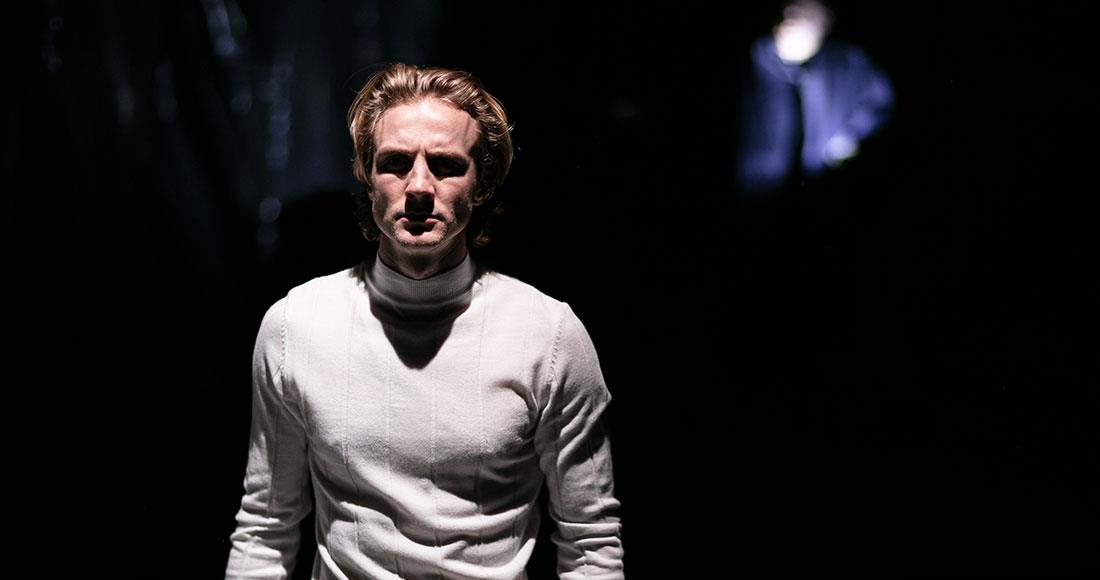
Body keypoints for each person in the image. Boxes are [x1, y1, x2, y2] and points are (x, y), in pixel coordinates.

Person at [225, 63, 625, 579]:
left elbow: (590, 542)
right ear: (366, 175)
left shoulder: (547, 335)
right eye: (395, 162)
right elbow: (264, 527)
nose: (418, 186)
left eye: (445, 165)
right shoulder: (296, 326)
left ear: (482, 183)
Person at [734, 0, 895, 197]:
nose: (789, 21)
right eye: (786, 13)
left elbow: (880, 103)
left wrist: (848, 137)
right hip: (755, 187)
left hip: (823, 182)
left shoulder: (851, 63)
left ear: (825, 22)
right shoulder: (755, 59)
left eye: (804, 15)